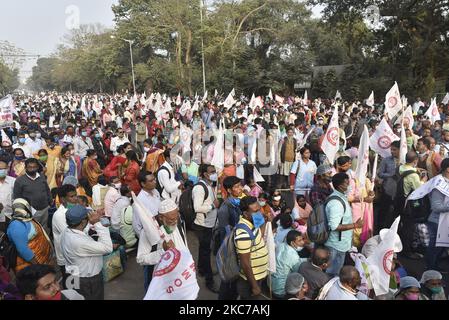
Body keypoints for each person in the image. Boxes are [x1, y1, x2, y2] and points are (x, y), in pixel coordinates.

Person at [60, 205, 113, 300]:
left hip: (72, 274)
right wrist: (97, 223)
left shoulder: (67, 231)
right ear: (83, 221)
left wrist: (95, 217)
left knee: (75, 297)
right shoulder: (79, 242)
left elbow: (82, 228)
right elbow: (108, 248)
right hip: (87, 280)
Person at [136, 198, 188, 291]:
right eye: (171, 219)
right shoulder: (148, 232)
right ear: (161, 217)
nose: (175, 221)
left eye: (177, 217)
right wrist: (163, 251)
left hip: (179, 278)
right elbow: (141, 259)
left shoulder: (177, 223)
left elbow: (184, 245)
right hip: (161, 282)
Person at [325, 173, 363, 277]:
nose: (349, 185)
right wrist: (355, 225)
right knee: (332, 274)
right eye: (347, 183)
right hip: (335, 246)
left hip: (341, 244)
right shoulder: (336, 203)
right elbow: (334, 226)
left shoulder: (341, 197)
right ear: (341, 186)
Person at [192, 164, 220, 293]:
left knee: (203, 249)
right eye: (212, 172)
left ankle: (202, 269)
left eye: (215, 171)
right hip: (202, 225)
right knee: (206, 251)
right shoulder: (199, 188)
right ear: (205, 174)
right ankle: (209, 280)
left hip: (208, 223)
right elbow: (197, 207)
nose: (215, 173)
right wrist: (213, 207)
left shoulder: (209, 185)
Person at [7, 198, 54, 273]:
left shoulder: (26, 219)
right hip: (31, 265)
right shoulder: (16, 226)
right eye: (29, 206)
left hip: (41, 260)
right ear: (25, 208)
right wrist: (38, 266)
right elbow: (23, 250)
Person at [235, 196, 268, 300]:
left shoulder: (253, 222)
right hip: (250, 281)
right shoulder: (243, 232)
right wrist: (254, 286)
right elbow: (245, 263)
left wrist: (263, 221)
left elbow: (259, 238)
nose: (260, 212)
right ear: (245, 214)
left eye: (260, 209)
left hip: (259, 275)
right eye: (256, 211)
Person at [398, 151, 427, 259]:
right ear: (415, 161)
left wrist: (416, 170)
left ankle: (400, 247)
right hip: (408, 206)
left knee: (402, 226)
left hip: (398, 202)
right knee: (408, 229)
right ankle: (407, 251)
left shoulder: (400, 168)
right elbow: (420, 190)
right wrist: (423, 180)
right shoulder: (413, 175)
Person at [13, 158, 52, 234]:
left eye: (34, 167)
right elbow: (17, 198)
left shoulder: (42, 176)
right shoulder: (20, 180)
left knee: (45, 229)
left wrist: (50, 202)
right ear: (26, 168)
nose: (32, 169)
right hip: (31, 212)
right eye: (30, 167)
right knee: (34, 231)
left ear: (37, 167)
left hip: (45, 208)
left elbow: (47, 189)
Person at [51, 184, 78, 288]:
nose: (75, 199)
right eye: (72, 196)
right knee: (71, 285)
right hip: (67, 258)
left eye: (76, 195)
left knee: (75, 283)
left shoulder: (73, 210)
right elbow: (71, 235)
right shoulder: (60, 215)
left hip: (74, 254)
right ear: (62, 199)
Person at [426, 158, 449, 269]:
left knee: (441, 248)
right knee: (435, 249)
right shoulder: (439, 184)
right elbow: (436, 206)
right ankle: (430, 272)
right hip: (437, 222)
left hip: (445, 222)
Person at [16, 264, 84, 300]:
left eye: (55, 281)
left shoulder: (71, 296)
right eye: (47, 287)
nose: (57, 288)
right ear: (30, 297)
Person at [271, 230, 306, 298]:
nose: (303, 242)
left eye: (302, 239)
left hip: (270, 284)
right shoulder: (294, 256)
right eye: (299, 241)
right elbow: (297, 271)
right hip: (281, 291)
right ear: (292, 243)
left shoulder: (281, 245)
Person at [377, 141, 401, 231]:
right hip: (387, 189)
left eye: (394, 150)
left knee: (396, 212)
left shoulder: (404, 161)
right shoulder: (386, 160)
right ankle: (379, 229)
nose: (392, 152)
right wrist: (391, 175)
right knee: (384, 210)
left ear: (400, 150)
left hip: (399, 191)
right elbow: (380, 173)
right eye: (391, 149)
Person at [133, 172, 161, 237]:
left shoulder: (156, 192)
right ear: (143, 184)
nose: (154, 182)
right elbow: (137, 226)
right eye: (151, 181)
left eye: (154, 179)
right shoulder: (139, 201)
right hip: (151, 234)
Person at [0, 160, 15, 232]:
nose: (1, 171)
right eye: (0, 169)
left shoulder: (13, 181)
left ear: (7, 169)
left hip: (10, 215)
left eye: (3, 169)